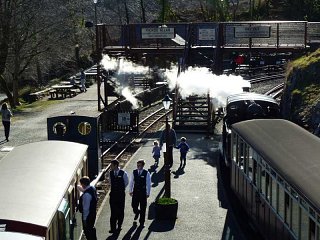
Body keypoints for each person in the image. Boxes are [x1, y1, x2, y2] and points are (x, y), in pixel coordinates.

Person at [108, 159, 129, 234]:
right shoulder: (110, 173)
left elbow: (126, 182)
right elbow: (110, 182)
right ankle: (112, 228)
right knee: (113, 211)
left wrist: (121, 189)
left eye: (111, 165)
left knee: (120, 210)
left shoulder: (123, 173)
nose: (110, 167)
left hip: (121, 195)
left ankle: (119, 225)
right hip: (113, 195)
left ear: (116, 165)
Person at [129, 159, 151, 227]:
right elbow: (131, 182)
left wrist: (148, 193)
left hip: (143, 193)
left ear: (142, 165)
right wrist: (130, 190)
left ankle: (142, 222)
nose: (138, 166)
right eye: (137, 165)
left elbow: (148, 183)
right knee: (133, 205)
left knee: (143, 208)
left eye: (139, 165)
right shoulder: (134, 172)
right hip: (135, 192)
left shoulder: (146, 173)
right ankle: (137, 212)